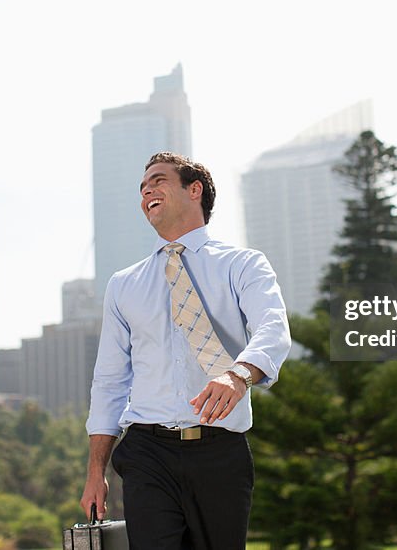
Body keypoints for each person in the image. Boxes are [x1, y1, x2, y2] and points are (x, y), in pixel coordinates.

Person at [80, 152, 291, 549]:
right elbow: (109, 380)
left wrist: (238, 374)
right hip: (146, 453)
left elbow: (273, 328)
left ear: (194, 190)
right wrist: (96, 471)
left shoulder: (243, 265)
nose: (147, 191)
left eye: (158, 181)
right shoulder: (123, 285)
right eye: (143, 188)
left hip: (219, 452)